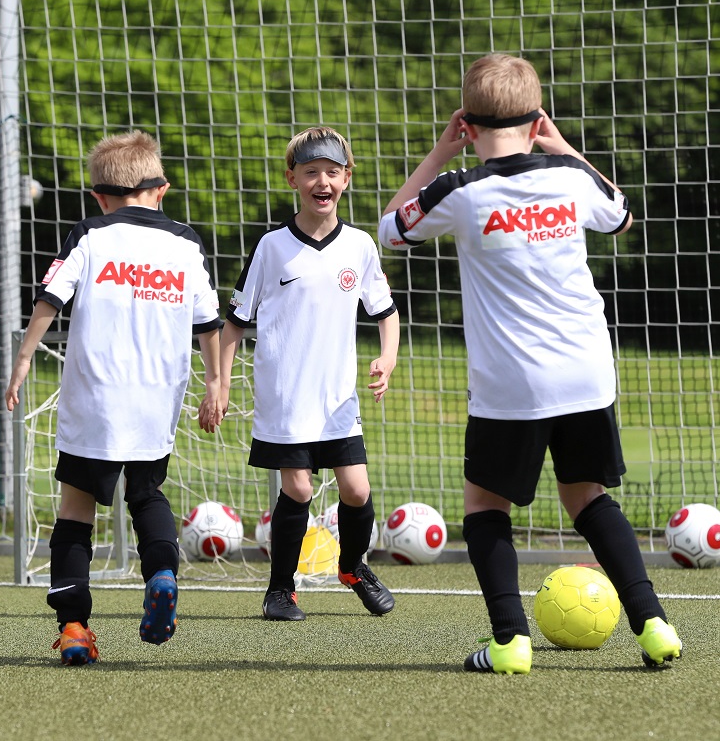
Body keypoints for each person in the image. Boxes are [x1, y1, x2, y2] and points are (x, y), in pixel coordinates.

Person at [378, 53, 682, 674]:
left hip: (512, 384)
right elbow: (623, 214)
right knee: (587, 496)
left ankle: (510, 642)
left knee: (484, 506)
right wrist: (563, 144)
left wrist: (439, 152)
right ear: (537, 120)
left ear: (467, 126)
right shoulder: (571, 179)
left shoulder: (460, 190)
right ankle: (654, 626)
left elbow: (389, 229)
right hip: (588, 372)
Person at [5, 130, 223, 665]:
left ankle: (74, 627)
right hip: (156, 399)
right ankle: (163, 575)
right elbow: (208, 322)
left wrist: (24, 358)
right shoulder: (185, 243)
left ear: (99, 197)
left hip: (94, 399)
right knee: (147, 495)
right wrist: (217, 382)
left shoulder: (90, 234)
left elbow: (49, 298)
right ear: (161, 190)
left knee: (76, 511)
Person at [202, 126, 400, 622]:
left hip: (338, 399)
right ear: (293, 179)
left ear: (347, 178)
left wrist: (388, 358)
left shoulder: (359, 246)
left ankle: (352, 568)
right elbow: (234, 324)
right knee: (298, 490)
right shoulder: (272, 247)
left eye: (332, 172)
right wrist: (219, 385)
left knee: (357, 490)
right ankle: (280, 590)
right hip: (285, 399)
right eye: (311, 172)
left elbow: (386, 312)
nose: (322, 181)